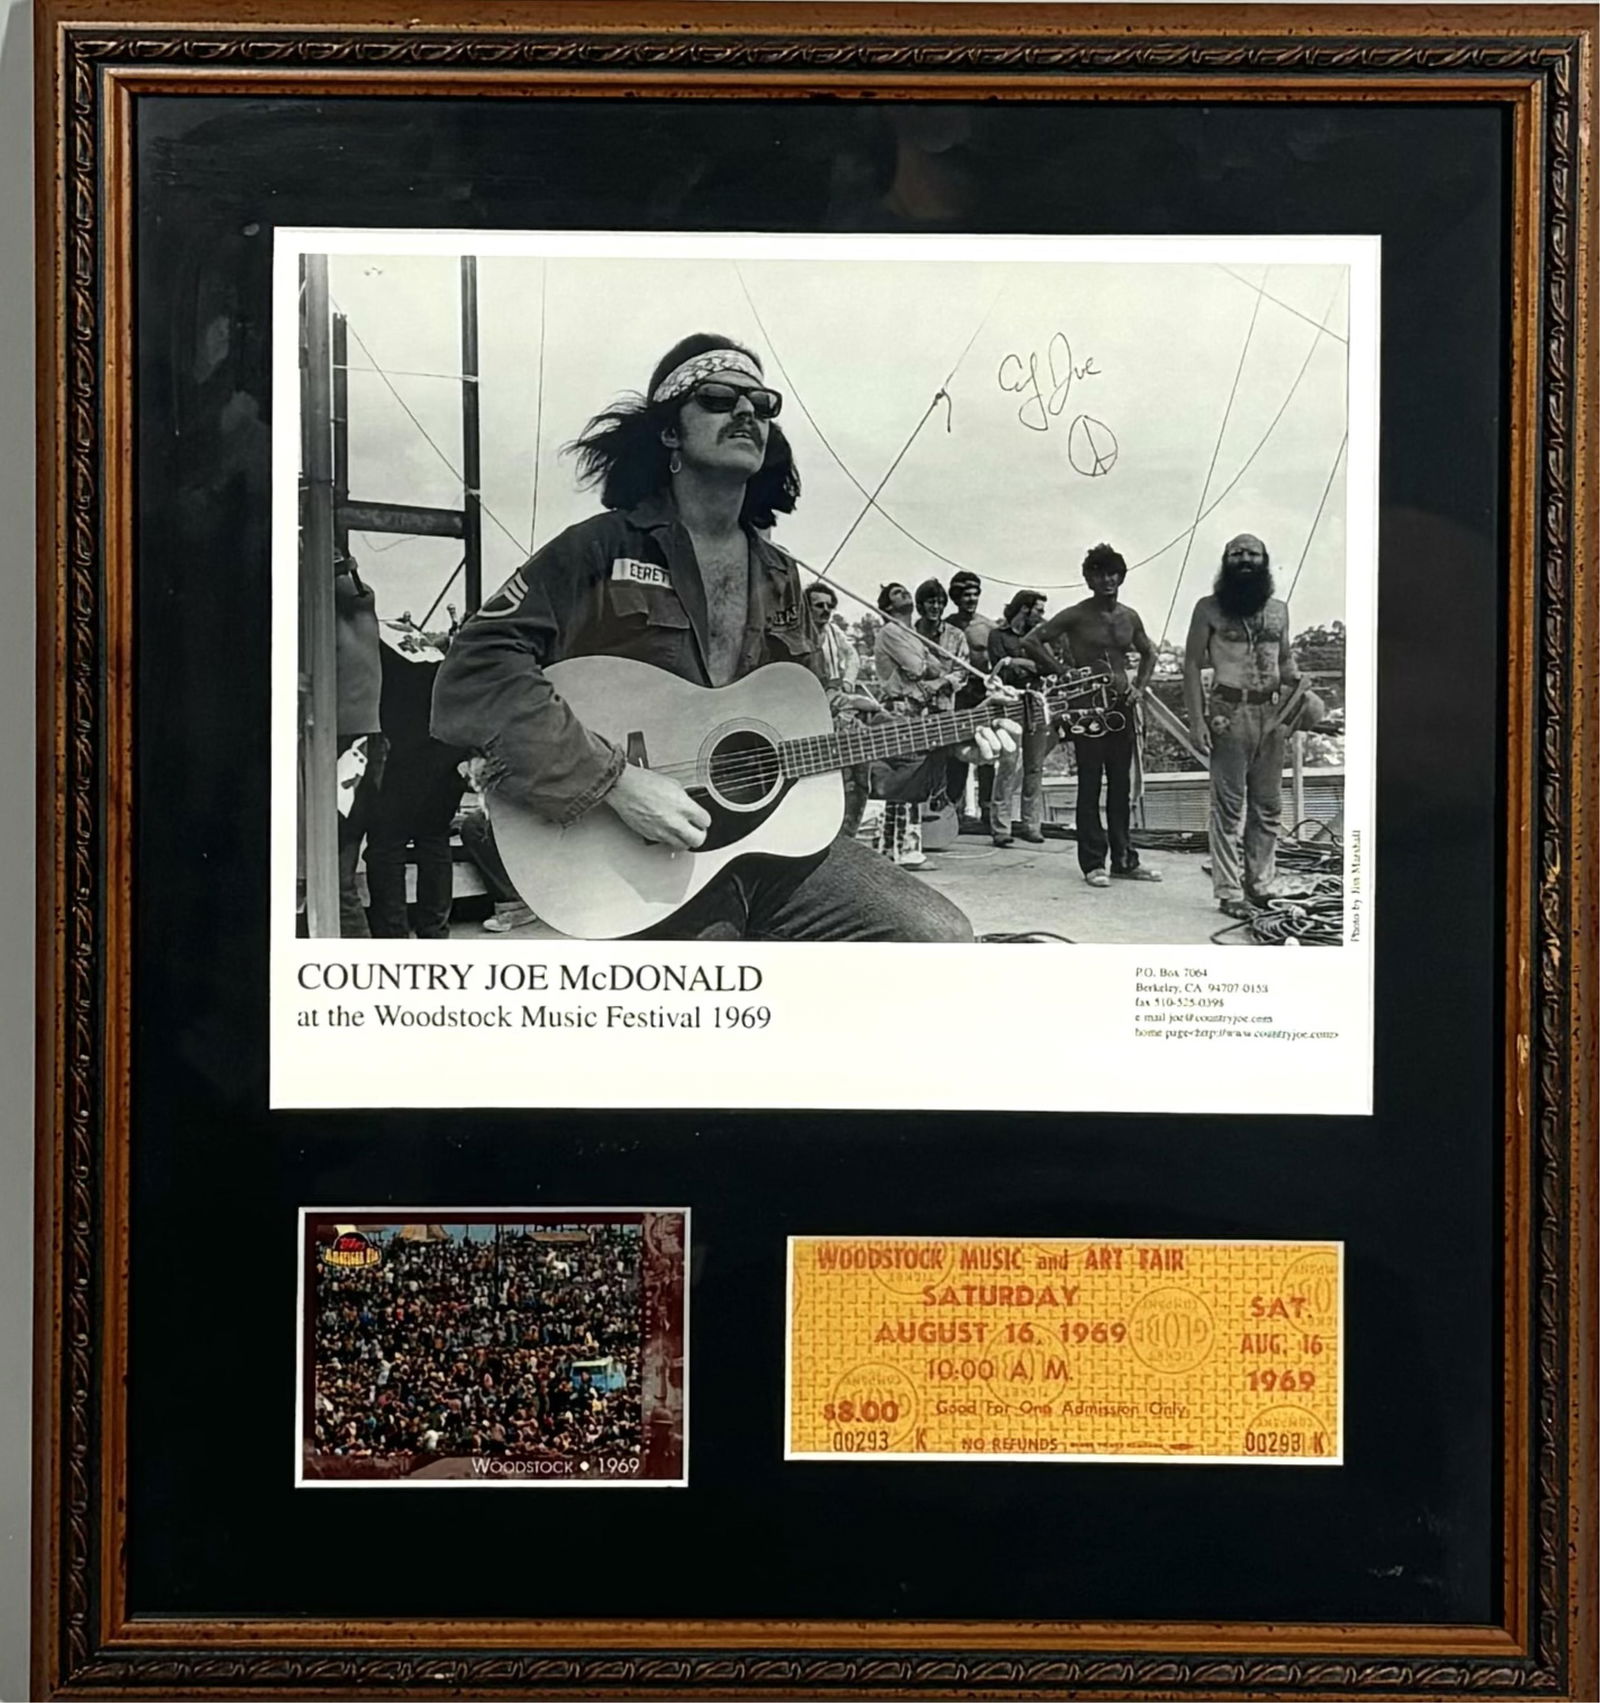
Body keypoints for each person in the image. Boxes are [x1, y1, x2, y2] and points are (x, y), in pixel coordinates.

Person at [431, 333, 1012, 941]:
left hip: (768, 850)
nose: (745, 413)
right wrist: (615, 781)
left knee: (937, 937)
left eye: (762, 404)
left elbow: (819, 735)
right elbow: (476, 671)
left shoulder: (781, 575)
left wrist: (943, 745)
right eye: (717, 398)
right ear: (669, 433)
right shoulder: (598, 549)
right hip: (635, 856)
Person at [1025, 542, 1161, 888]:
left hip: (1121, 706)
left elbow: (1149, 652)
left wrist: (1139, 688)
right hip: (1086, 706)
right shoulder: (1076, 614)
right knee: (1090, 784)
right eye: (1099, 573)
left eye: (1113, 572)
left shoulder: (1130, 616)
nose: (1107, 580)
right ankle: (1092, 863)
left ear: (1121, 576)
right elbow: (1032, 640)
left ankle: (1125, 861)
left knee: (1121, 786)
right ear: (1088, 578)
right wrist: (1063, 671)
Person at [1182, 532, 1299, 919]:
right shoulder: (1208, 609)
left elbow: (1285, 662)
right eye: (1237, 553)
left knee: (1268, 806)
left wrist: (1300, 703)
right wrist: (1197, 721)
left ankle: (1260, 884)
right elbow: (1192, 665)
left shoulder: (1279, 610)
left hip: (1272, 715)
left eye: (1252, 553)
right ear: (1225, 560)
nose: (1245, 559)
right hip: (1227, 713)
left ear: (1265, 560)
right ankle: (1230, 891)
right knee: (1228, 809)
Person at [871, 581, 967, 869]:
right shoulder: (891, 631)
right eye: (897, 593)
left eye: (905, 590)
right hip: (898, 711)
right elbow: (920, 668)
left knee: (912, 775)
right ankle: (907, 851)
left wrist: (937, 671)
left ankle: (896, 848)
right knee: (911, 774)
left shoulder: (912, 635)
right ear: (887, 606)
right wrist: (942, 676)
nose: (906, 594)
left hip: (916, 711)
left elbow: (933, 666)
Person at [805, 579, 875, 837]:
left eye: (828, 605)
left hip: (840, 703)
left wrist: (847, 682)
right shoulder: (800, 634)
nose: (824, 610)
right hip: (813, 710)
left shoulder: (834, 632)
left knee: (859, 772)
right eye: (818, 605)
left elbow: (853, 656)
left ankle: (850, 832)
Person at [984, 589, 1048, 847]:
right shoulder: (997, 636)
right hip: (1009, 704)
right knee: (1008, 764)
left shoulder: (1041, 638)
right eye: (1039, 610)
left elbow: (1045, 667)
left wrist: (1017, 662)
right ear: (1025, 609)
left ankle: (1031, 825)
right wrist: (1023, 664)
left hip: (1036, 702)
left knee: (1035, 766)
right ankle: (1001, 827)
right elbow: (999, 666)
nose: (1043, 616)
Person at [945, 569, 996, 825]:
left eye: (975, 594)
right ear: (956, 598)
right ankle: (954, 811)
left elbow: (997, 662)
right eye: (966, 595)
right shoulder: (947, 626)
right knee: (958, 753)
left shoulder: (987, 626)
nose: (971, 599)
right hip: (957, 694)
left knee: (987, 750)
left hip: (981, 692)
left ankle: (987, 811)